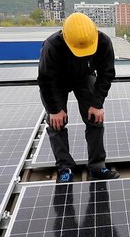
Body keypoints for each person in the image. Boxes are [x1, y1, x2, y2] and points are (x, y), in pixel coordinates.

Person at [38, 12, 120, 183]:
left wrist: (97, 104)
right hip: (57, 82)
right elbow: (46, 80)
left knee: (95, 119)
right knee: (56, 123)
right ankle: (64, 168)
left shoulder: (103, 42)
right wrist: (54, 110)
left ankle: (97, 167)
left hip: (85, 77)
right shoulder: (52, 45)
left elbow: (107, 74)